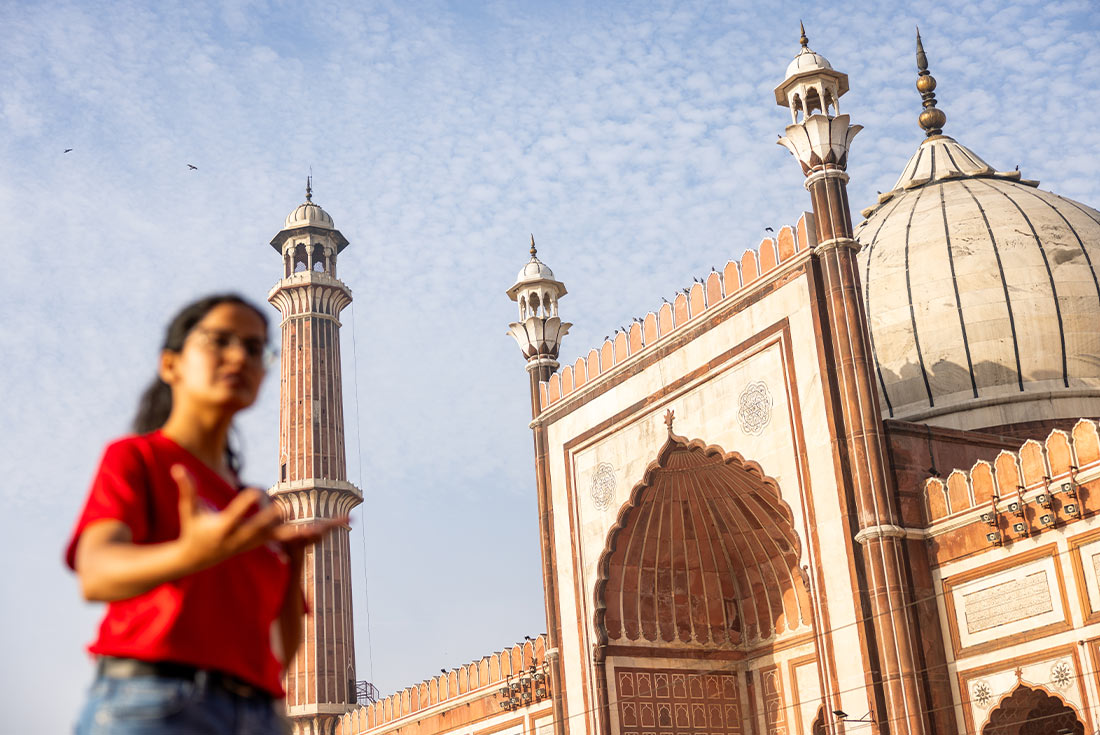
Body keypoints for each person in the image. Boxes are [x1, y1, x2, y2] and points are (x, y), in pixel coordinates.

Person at [66, 293, 341, 735]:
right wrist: (193, 552)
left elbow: (276, 651)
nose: (239, 356)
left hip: (259, 714)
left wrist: (293, 565)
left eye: (255, 348)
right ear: (171, 364)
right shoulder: (139, 460)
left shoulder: (256, 508)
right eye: (220, 341)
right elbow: (96, 574)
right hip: (155, 704)